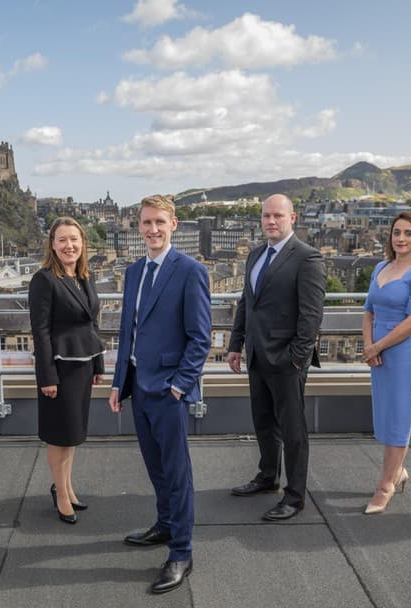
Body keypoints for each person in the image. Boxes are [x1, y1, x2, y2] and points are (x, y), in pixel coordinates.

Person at [109, 195, 211, 595]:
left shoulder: (190, 271)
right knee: (155, 468)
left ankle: (182, 552)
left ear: (174, 225)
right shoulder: (134, 271)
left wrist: (179, 386)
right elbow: (128, 332)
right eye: (147, 222)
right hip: (139, 385)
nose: (153, 229)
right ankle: (165, 525)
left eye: (159, 223)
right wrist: (119, 382)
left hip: (169, 390)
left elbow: (200, 338)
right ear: (139, 226)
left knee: (177, 473)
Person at [226, 194, 326, 521]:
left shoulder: (307, 258)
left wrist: (296, 359)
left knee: (293, 431)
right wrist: (236, 343)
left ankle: (295, 497)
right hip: (257, 355)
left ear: (292, 218)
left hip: (286, 361)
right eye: (266, 216)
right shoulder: (255, 255)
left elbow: (311, 316)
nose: (271, 221)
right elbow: (246, 303)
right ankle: (268, 477)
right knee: (263, 421)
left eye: (278, 216)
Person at [29, 217, 105, 525]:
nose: (69, 245)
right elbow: (40, 332)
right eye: (62, 240)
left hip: (83, 367)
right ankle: (61, 494)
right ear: (52, 244)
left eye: (74, 239)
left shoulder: (85, 275)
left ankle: (67, 487)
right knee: (59, 436)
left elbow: (92, 324)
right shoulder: (44, 280)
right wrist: (47, 377)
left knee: (72, 434)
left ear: (83, 243)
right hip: (59, 370)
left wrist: (98, 363)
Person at [360, 211, 411, 514]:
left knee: (398, 417)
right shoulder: (381, 267)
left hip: (403, 351)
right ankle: (399, 471)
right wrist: (369, 346)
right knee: (384, 414)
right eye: (396, 232)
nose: (401, 238)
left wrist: (377, 346)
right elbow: (368, 311)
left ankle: (385, 485)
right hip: (377, 351)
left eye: (408, 233)